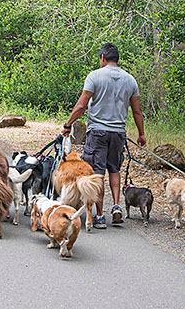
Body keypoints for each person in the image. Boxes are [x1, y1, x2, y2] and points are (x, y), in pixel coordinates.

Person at [61, 43, 146, 229]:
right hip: (118, 133)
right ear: (117, 58)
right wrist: (141, 134)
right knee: (114, 169)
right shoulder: (130, 80)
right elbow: (137, 112)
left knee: (96, 173)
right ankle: (116, 207)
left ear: (102, 58)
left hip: (97, 132)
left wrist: (68, 124)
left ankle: (99, 215)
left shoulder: (94, 76)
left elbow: (82, 105)